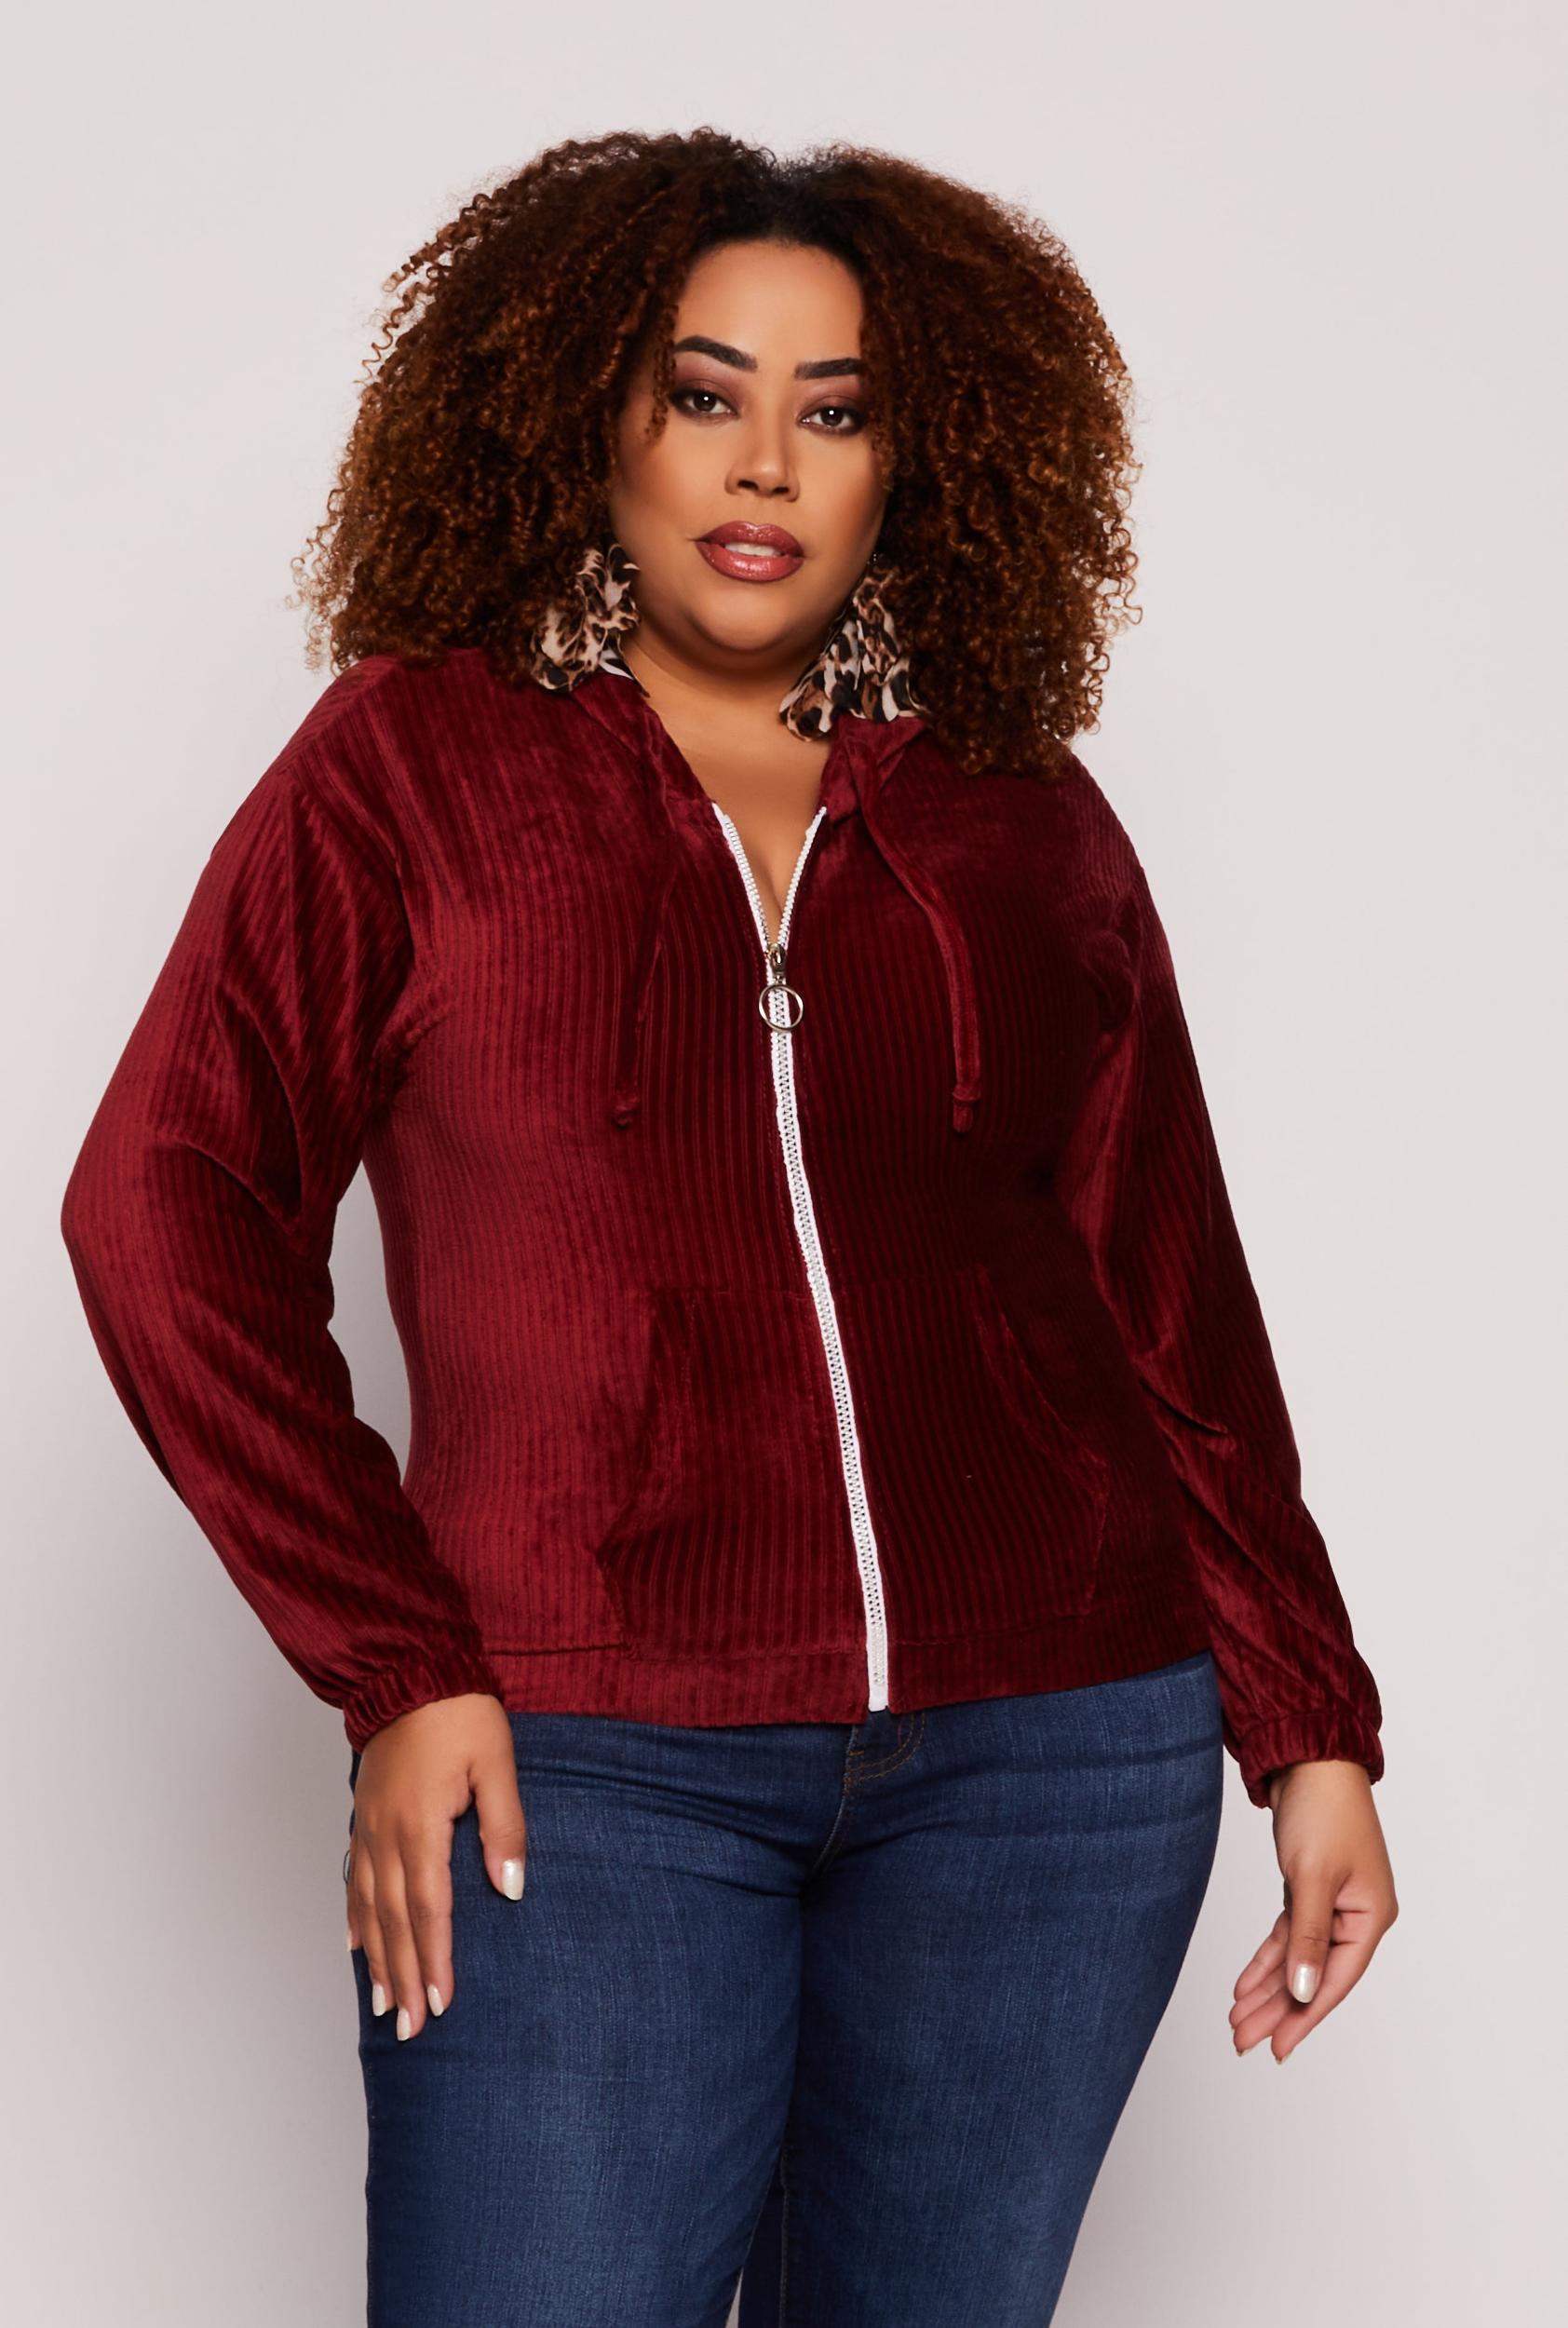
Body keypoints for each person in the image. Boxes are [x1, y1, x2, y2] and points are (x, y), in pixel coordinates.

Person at [59, 129, 1397, 2326]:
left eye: (832, 408)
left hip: (1052, 1755)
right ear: (591, 415)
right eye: (701, 392)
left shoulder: (1015, 809)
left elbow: (1161, 1290)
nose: (761, 460)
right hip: (584, 1752)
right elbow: (164, 1201)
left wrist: (1306, 1718)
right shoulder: (413, 769)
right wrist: (394, 1658)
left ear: (905, 462)